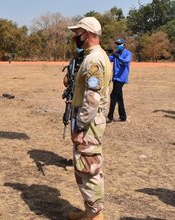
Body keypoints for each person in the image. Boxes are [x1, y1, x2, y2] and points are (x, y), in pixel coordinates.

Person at [67, 17, 112, 220]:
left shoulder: (93, 60)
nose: (76, 37)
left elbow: (92, 100)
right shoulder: (97, 55)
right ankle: (91, 210)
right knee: (87, 165)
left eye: (78, 33)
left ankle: (94, 214)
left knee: (89, 168)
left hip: (88, 124)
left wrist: (80, 127)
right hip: (91, 121)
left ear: (88, 34)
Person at [106, 38, 132, 123]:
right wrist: (105, 53)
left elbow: (125, 62)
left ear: (124, 44)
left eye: (119, 44)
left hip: (122, 78)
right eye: (117, 44)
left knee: (113, 96)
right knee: (119, 97)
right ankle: (123, 116)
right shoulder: (116, 53)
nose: (118, 45)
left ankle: (110, 117)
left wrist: (116, 56)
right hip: (115, 78)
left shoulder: (128, 53)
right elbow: (108, 59)